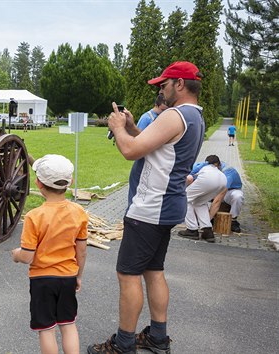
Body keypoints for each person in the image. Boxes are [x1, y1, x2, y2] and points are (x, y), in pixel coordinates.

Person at [88, 61, 205, 354]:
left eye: (163, 85)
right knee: (154, 271)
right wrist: (131, 126)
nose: (161, 91)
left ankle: (124, 343)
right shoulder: (195, 116)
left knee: (128, 275)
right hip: (169, 206)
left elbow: (130, 151)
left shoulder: (174, 115)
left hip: (150, 208)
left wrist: (117, 129)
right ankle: (157, 337)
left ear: (179, 84)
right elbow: (153, 144)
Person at [11, 154, 88, 354]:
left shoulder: (34, 216)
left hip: (42, 279)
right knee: (68, 324)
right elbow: (81, 249)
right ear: (70, 182)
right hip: (68, 276)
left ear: (39, 183)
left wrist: (16, 254)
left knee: (46, 330)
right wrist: (78, 275)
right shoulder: (79, 212)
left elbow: (28, 256)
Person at [178, 155, 227, 242]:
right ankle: (208, 231)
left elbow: (189, 177)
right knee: (200, 203)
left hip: (207, 179)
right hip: (223, 180)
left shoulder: (201, 166)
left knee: (184, 198)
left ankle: (192, 230)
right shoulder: (218, 169)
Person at [209, 164, 244, 232]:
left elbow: (221, 193)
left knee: (238, 197)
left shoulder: (228, 172)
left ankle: (233, 220)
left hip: (231, 190)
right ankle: (206, 217)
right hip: (217, 188)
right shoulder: (204, 166)